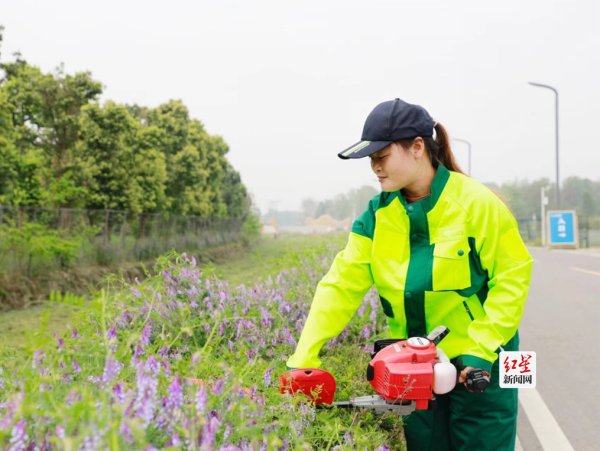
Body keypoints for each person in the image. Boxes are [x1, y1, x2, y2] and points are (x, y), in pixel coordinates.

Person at [286, 98, 533, 450]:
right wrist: (303, 359)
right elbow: (340, 285)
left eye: (381, 156)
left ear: (417, 147)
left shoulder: (478, 204)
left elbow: (513, 276)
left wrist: (481, 350)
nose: (375, 168)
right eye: (371, 159)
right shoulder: (376, 216)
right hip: (415, 368)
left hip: (488, 362)